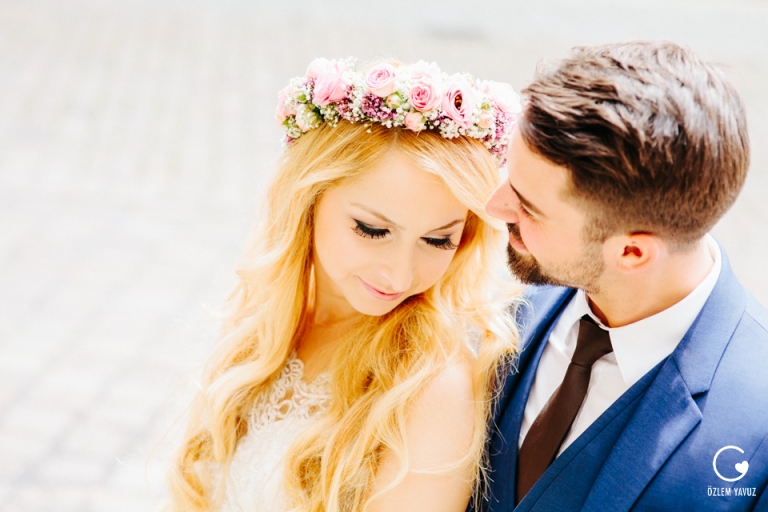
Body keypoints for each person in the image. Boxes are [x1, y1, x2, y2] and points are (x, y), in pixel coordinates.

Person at [164, 58, 523, 511]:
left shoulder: (430, 387)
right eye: (372, 230)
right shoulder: (270, 321)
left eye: (437, 240)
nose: (399, 274)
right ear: (308, 201)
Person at [477, 41, 768, 511]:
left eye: (527, 207)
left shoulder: (760, 422)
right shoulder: (497, 306)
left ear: (632, 251)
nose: (494, 207)